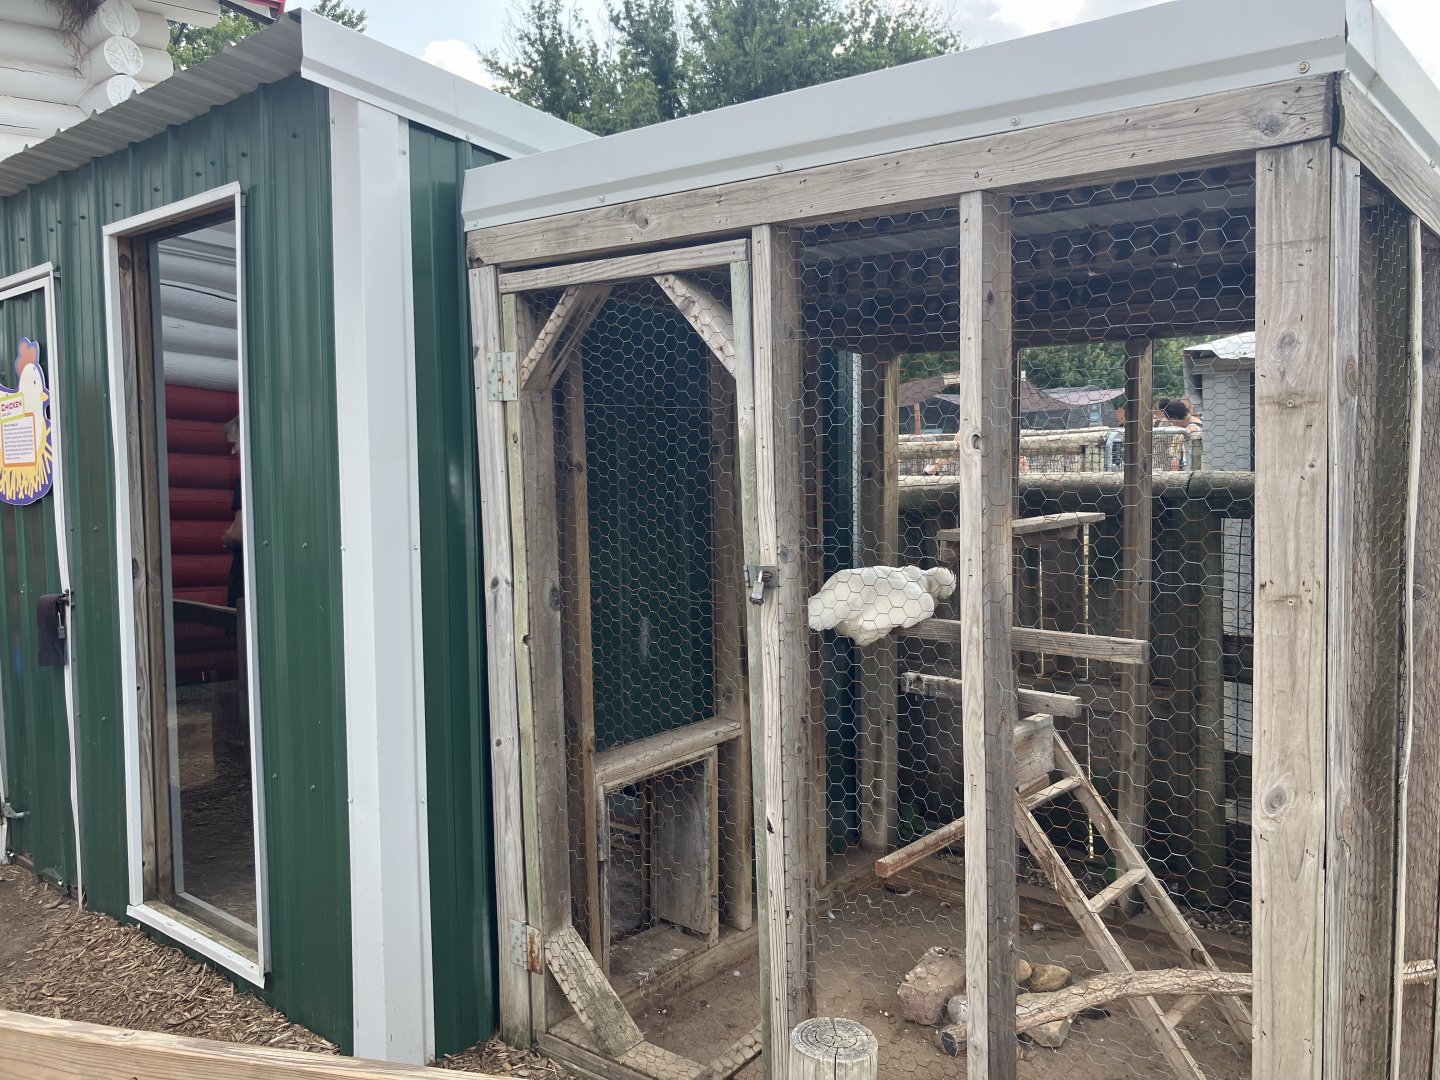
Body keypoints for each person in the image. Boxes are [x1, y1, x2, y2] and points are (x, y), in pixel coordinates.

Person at [222, 417, 244, 606]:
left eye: (234, 444)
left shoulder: (243, 481)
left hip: (244, 577)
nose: (233, 451)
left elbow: (240, 534)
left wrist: (227, 537)